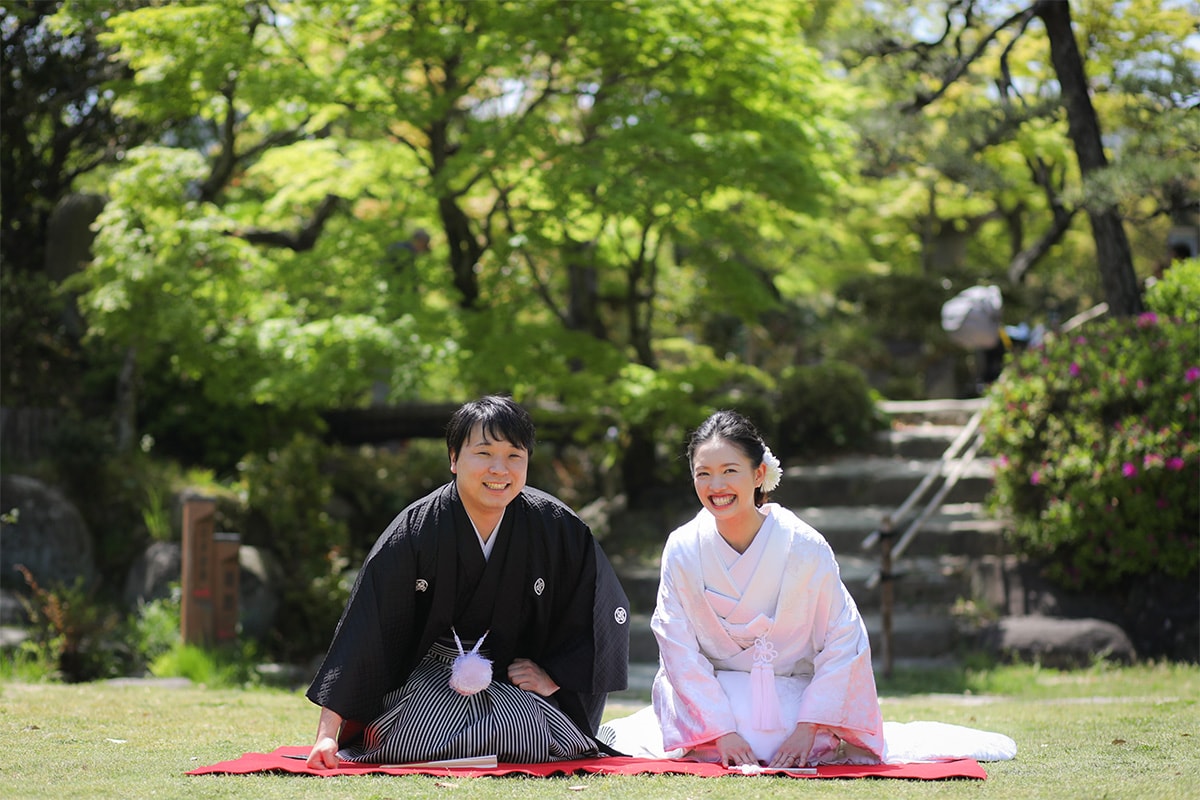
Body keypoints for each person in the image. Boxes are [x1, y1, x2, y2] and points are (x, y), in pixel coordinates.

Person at [305, 395, 630, 768]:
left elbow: (602, 606)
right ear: (454, 458)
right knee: (415, 737)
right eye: (484, 453)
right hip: (430, 679)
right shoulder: (417, 529)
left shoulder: (555, 526)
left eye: (514, 456)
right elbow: (366, 627)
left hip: (513, 682)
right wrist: (327, 735)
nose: (499, 469)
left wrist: (554, 675)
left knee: (524, 730)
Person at [604, 410, 885, 767]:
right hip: (714, 699)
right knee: (742, 733)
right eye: (703, 474)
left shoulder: (804, 546)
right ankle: (709, 735)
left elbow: (844, 637)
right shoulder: (684, 548)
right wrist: (721, 731)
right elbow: (677, 646)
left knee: (777, 735)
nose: (715, 486)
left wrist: (809, 725)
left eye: (729, 471)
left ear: (759, 474)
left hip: (795, 699)